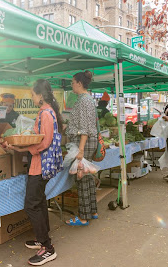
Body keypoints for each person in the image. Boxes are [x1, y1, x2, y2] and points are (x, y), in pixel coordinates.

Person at [8, 79, 63, 266]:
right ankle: (42, 238)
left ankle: (47, 248)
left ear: (40, 95)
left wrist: (24, 149)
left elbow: (44, 142)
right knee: (38, 201)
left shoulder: (46, 113)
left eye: (32, 94)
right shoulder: (45, 112)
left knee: (31, 204)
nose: (31, 97)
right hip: (38, 164)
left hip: (40, 165)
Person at [65, 70, 99, 226]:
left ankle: (83, 217)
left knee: (82, 179)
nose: (71, 85)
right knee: (88, 178)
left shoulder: (85, 100)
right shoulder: (86, 99)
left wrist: (80, 149)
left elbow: (85, 128)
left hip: (83, 142)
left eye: (73, 82)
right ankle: (92, 210)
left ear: (79, 83)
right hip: (85, 141)